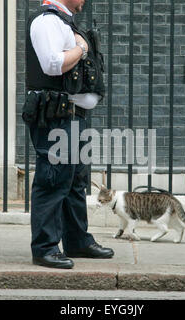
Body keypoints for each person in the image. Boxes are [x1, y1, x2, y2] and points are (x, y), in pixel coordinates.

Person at [25, 0, 114, 269]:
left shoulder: (63, 21)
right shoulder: (47, 21)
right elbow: (53, 64)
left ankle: (77, 241)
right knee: (52, 180)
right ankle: (45, 248)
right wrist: (81, 48)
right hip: (54, 116)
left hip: (71, 114)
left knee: (75, 180)